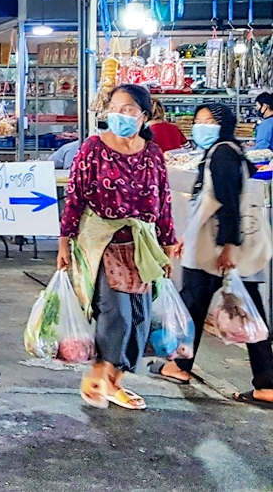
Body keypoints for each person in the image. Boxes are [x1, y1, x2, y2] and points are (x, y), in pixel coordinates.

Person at [58, 84, 177, 411]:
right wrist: (64, 242)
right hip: (102, 241)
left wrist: (167, 244)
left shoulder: (152, 153)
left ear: (144, 115)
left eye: (128, 110)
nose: (120, 115)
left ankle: (114, 382)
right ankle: (98, 374)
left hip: (141, 245)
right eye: (114, 109)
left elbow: (164, 202)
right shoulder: (93, 148)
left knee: (139, 318)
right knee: (116, 313)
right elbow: (74, 198)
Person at [152, 104, 273, 405]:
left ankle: (180, 365)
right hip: (225, 247)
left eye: (209, 121)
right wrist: (187, 236)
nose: (201, 127)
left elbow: (226, 201)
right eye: (198, 121)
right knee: (248, 310)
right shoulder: (231, 151)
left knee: (193, 303)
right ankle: (266, 382)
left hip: (215, 249)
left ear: (224, 124)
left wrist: (228, 245)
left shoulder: (222, 154)